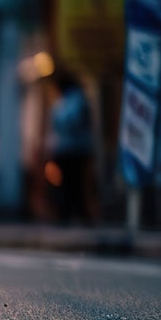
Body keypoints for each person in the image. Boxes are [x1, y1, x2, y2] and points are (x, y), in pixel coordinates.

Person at [48, 72, 93, 224]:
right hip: (68, 148)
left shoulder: (74, 99)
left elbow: (70, 122)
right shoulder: (67, 99)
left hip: (73, 149)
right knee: (69, 182)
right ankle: (70, 213)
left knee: (73, 183)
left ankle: (74, 213)